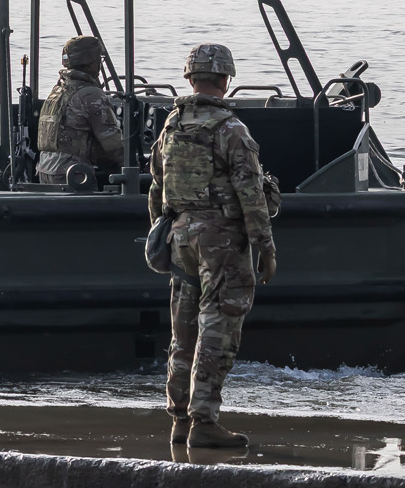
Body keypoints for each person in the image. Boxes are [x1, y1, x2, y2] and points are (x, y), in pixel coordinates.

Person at [149, 42, 280, 450]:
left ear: (190, 78)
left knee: (183, 329)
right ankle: (204, 421)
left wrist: (161, 231)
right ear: (225, 79)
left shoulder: (171, 126)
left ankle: (179, 419)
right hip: (221, 242)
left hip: (180, 236)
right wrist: (266, 247)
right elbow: (251, 195)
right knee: (218, 327)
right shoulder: (231, 130)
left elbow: (157, 187)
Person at [36, 35, 124, 186]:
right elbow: (112, 143)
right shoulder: (90, 94)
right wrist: (134, 168)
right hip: (73, 174)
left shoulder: (58, 90)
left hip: (45, 171)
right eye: (98, 60)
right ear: (91, 63)